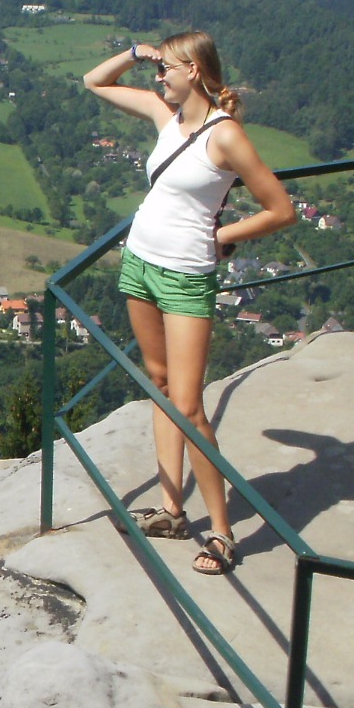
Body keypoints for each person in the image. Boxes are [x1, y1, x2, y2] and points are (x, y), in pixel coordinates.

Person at [82, 31, 296, 575]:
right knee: (158, 385)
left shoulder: (225, 137)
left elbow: (280, 209)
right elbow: (94, 81)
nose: (159, 78)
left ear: (195, 72)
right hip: (141, 266)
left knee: (190, 406)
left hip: (184, 277)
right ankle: (174, 512)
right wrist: (137, 52)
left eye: (167, 69)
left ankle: (222, 533)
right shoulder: (164, 116)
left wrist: (227, 237)